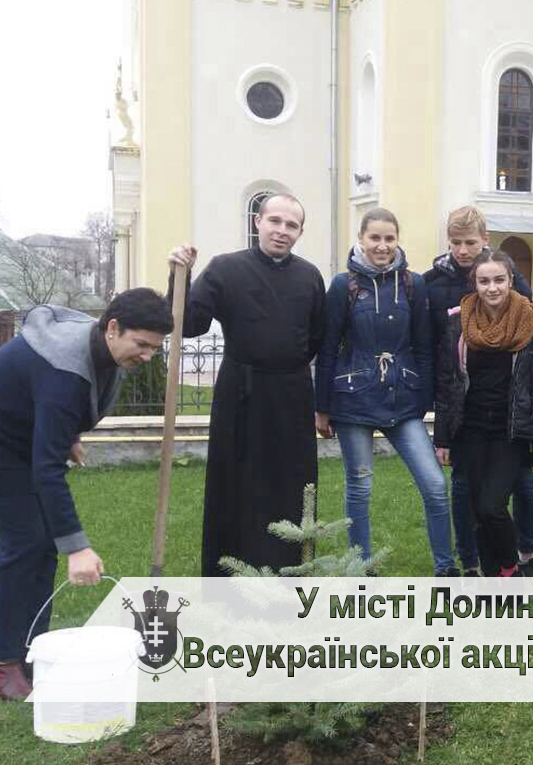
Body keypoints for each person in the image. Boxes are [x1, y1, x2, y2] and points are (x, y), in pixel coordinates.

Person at [0, 289, 173, 700]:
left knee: (42, 544)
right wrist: (77, 548)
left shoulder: (101, 347)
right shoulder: (66, 371)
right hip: (6, 443)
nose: (148, 356)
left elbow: (56, 402)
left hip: (23, 432)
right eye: (142, 344)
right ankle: (5, 665)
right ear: (113, 327)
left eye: (155, 348)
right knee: (25, 543)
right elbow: (46, 469)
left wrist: (68, 434)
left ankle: (28, 652)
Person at [167, 193, 326, 576]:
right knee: (234, 485)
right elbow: (189, 324)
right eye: (275, 221)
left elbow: (316, 336)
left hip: (291, 397)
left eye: (291, 225)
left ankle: (289, 574)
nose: (282, 230)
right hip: (240, 394)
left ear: (301, 232)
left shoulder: (309, 276)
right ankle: (229, 577)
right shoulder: (225, 269)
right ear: (258, 221)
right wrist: (179, 276)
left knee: (290, 486)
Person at [315, 208, 456, 576]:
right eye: (374, 238)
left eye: (389, 238)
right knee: (359, 486)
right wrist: (322, 407)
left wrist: (423, 399)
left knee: (434, 484)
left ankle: (446, 568)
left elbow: (423, 345)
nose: (382, 246)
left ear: (397, 240)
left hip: (402, 398)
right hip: (353, 399)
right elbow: (327, 349)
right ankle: (361, 566)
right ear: (361, 239)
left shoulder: (413, 284)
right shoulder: (343, 286)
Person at [424, 206, 533, 576]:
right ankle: (474, 563)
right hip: (466, 408)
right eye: (456, 242)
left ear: (485, 240)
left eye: (470, 243)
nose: (463, 250)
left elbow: (528, 342)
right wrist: (443, 426)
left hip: (509, 413)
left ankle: (524, 555)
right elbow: (440, 357)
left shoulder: (511, 280)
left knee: (518, 487)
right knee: (467, 492)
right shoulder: (433, 283)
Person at [433, 250, 533, 577]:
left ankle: (510, 568)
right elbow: (447, 383)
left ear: (511, 281)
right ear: (474, 283)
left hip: (511, 429)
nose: (492, 288)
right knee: (478, 511)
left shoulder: (531, 324)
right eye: (484, 281)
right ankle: (494, 582)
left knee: (491, 506)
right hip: (470, 428)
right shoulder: (458, 323)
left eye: (499, 280)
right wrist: (443, 439)